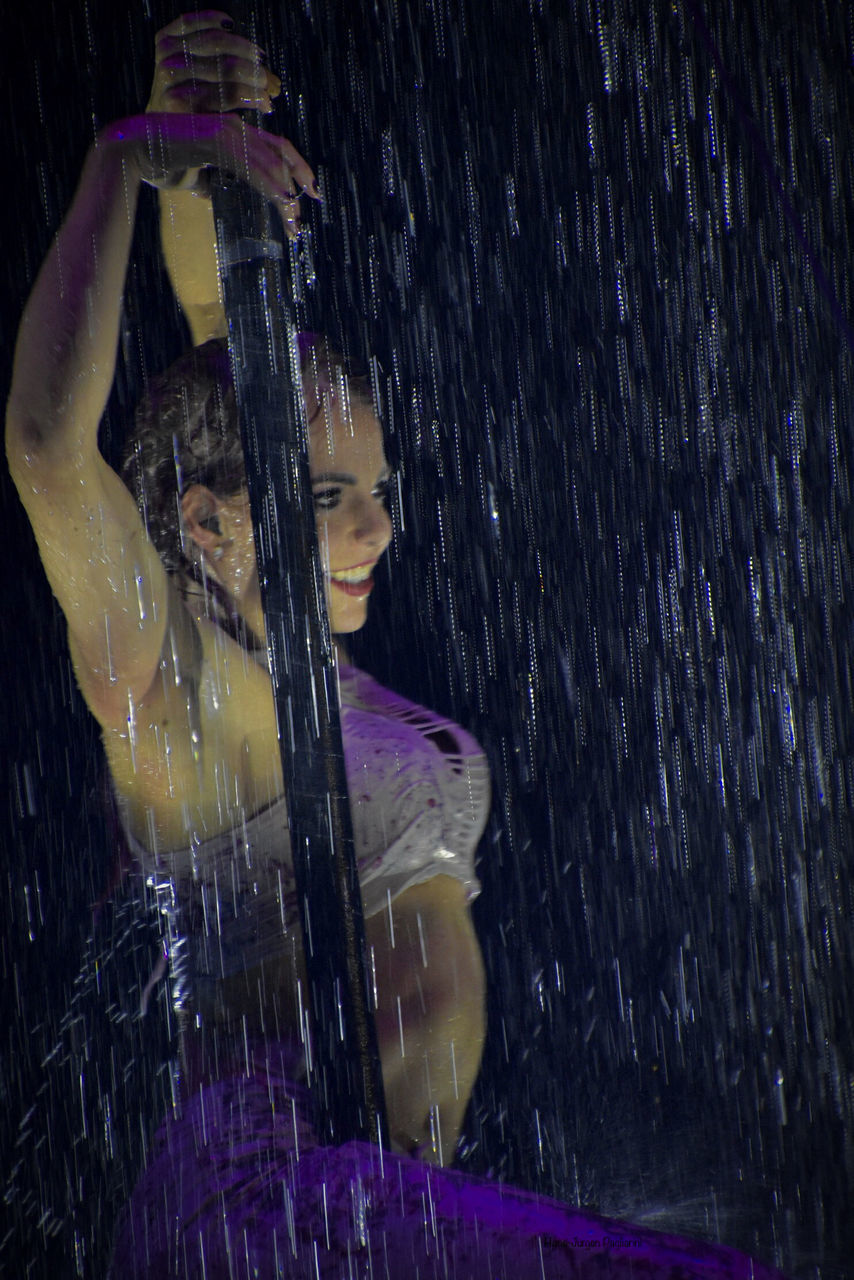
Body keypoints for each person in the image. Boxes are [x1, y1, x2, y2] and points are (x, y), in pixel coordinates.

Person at [5, 14, 791, 1278]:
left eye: (380, 483)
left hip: (365, 1201)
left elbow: (236, 341)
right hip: (256, 1196)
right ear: (205, 527)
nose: (376, 525)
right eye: (325, 500)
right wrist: (122, 157)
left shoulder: (318, 680)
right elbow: (49, 450)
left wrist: (213, 148)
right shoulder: (188, 697)